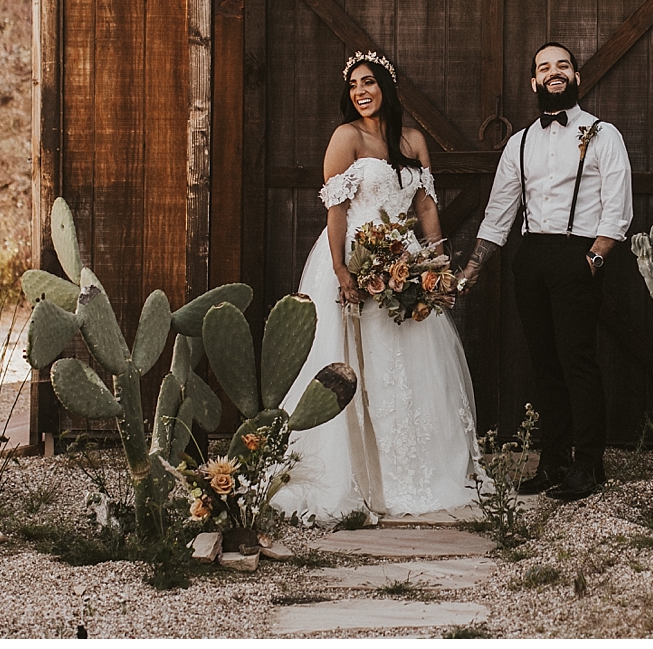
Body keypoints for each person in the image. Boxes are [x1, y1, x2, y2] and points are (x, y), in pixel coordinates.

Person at [269, 50, 482, 522]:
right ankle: (353, 470)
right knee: (355, 357)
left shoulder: (412, 139)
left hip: (403, 260)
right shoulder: (346, 137)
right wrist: (343, 272)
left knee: (408, 357)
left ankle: (416, 468)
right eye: (353, 86)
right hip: (353, 256)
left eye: (369, 82)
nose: (361, 92)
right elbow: (337, 211)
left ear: (386, 86)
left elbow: (425, 206)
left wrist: (437, 261)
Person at [458, 42, 633, 501]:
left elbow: (617, 207)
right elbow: (499, 215)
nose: (554, 72)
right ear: (534, 83)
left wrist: (593, 260)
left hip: (579, 256)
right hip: (531, 257)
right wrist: (469, 273)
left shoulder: (602, 134)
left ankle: (589, 465)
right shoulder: (519, 144)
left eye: (563, 65)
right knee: (544, 364)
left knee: (577, 360)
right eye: (544, 67)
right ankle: (551, 463)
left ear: (575, 77)